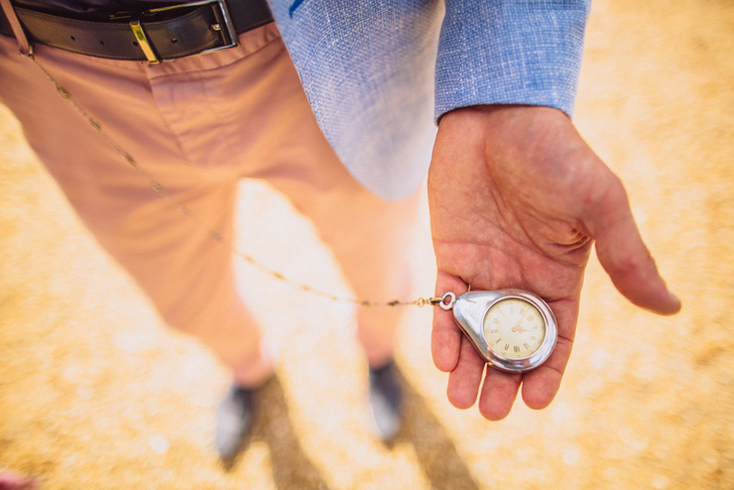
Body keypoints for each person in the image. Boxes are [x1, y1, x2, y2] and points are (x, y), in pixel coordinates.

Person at [0, 0, 680, 463]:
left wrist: (507, 83)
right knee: (181, 297)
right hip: (54, 72)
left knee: (380, 264)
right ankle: (248, 369)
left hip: (324, 57)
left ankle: (380, 355)